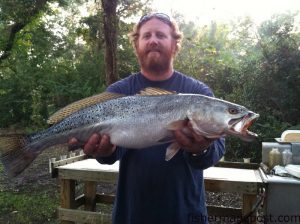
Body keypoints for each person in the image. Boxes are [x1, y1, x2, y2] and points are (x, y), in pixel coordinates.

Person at [70, 13, 225, 224]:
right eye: (147, 35)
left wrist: (201, 149)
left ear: (174, 44)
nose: (153, 40)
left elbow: (214, 152)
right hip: (132, 213)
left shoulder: (197, 92)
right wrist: (106, 152)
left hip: (185, 214)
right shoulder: (120, 91)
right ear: (137, 44)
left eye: (161, 35)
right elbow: (112, 153)